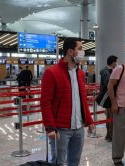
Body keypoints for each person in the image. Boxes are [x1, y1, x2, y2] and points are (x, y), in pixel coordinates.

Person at [41, 37, 94, 166]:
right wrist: (50, 127)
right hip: (60, 129)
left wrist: (89, 120)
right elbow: (45, 102)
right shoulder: (52, 73)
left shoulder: (80, 73)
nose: (83, 52)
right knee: (58, 162)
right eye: (80, 49)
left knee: (74, 162)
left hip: (78, 127)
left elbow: (82, 100)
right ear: (70, 51)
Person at [99, 55, 118, 142]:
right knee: (110, 116)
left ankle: (109, 135)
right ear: (113, 62)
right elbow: (109, 85)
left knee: (109, 116)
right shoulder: (106, 72)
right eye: (116, 61)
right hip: (108, 97)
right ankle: (110, 136)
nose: (117, 63)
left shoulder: (108, 71)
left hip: (108, 96)